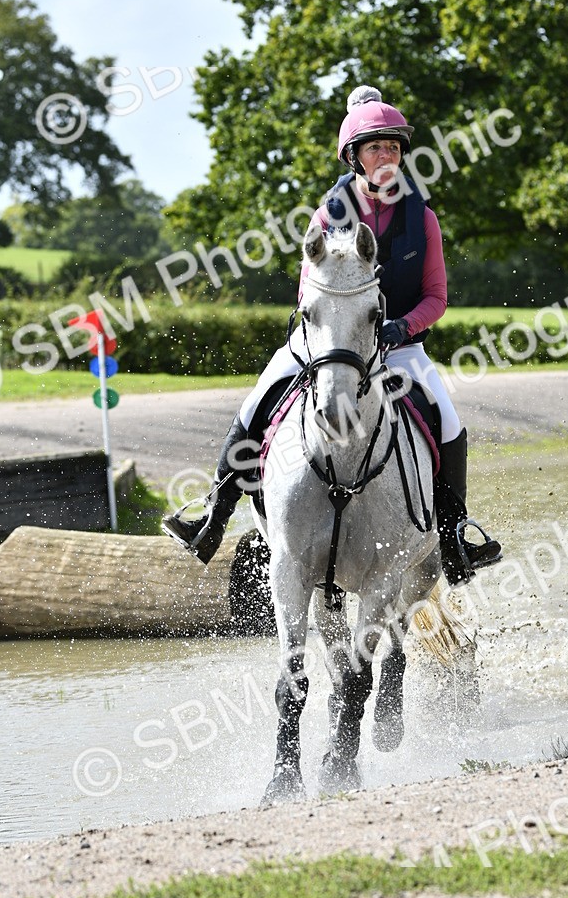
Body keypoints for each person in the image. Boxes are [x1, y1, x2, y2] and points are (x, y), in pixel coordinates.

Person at [162, 85, 501, 583]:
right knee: (256, 404)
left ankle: (454, 536)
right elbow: (307, 293)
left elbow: (436, 297)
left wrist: (401, 326)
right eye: (374, 148)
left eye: (393, 147)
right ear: (355, 157)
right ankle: (214, 515)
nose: (386, 156)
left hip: (397, 345)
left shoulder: (423, 218)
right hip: (326, 342)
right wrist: (331, 333)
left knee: (447, 422)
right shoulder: (327, 218)